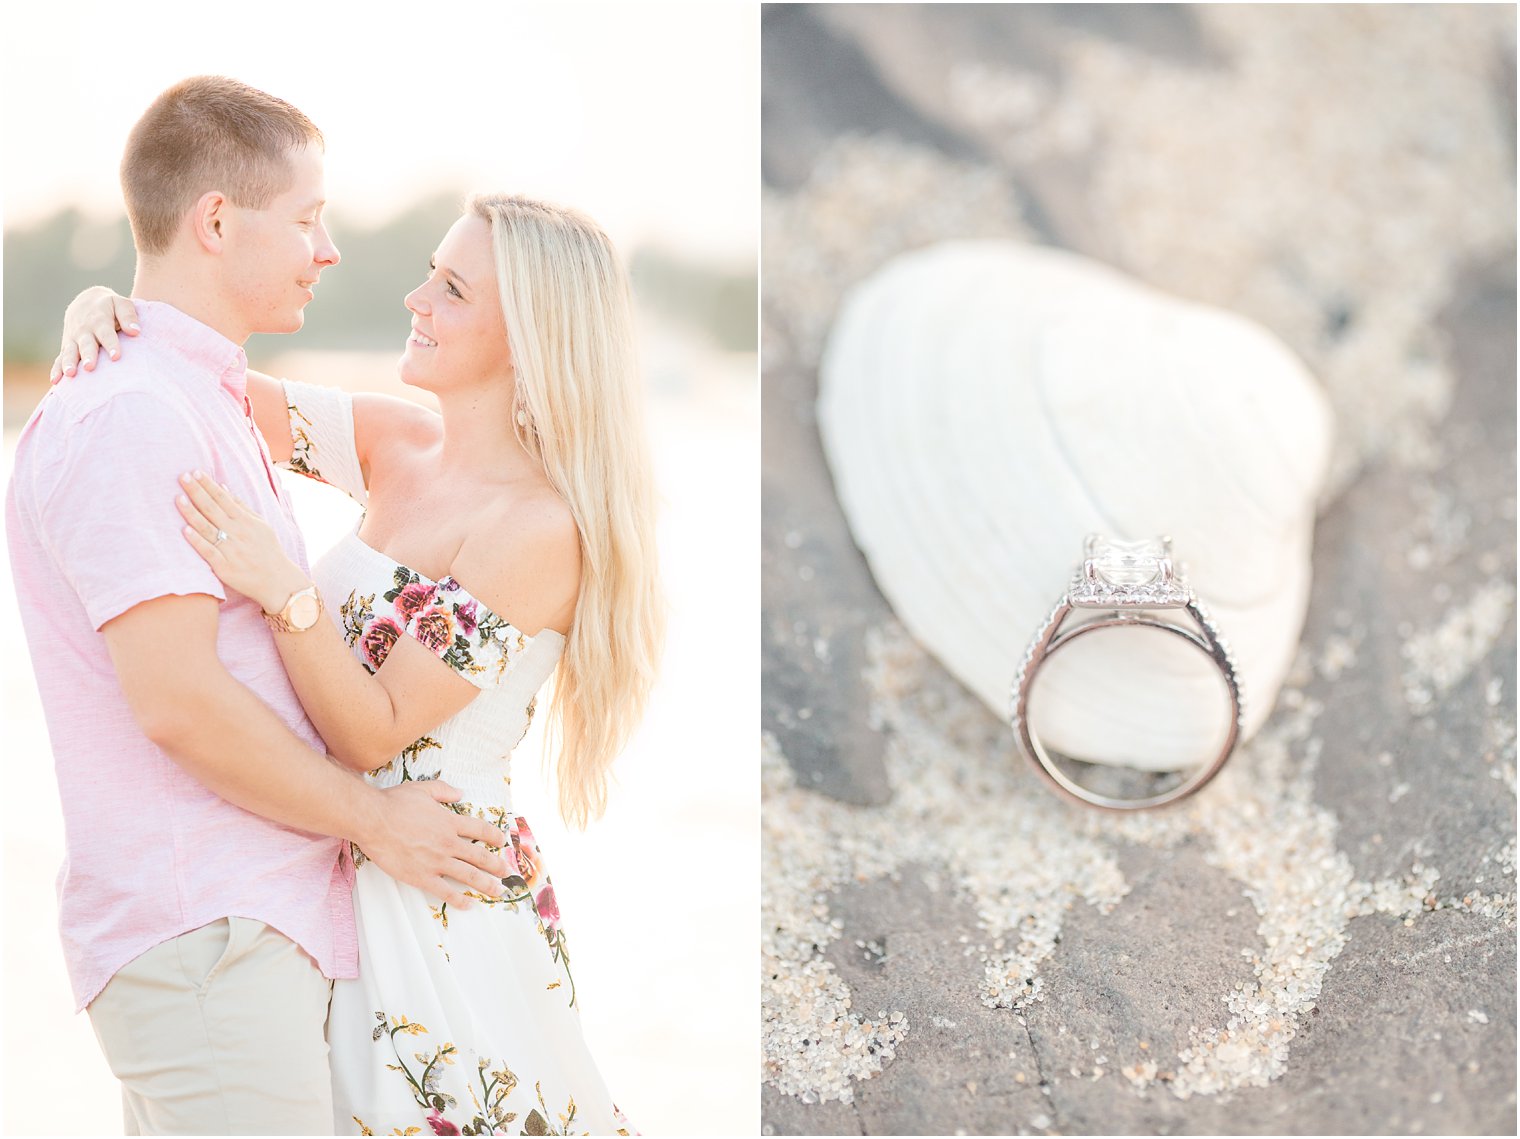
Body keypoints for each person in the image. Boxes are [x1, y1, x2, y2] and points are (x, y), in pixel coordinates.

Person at [54, 197, 662, 1131]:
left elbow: (372, 731)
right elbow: (197, 384)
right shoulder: (397, 441)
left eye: (453, 289)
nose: (417, 298)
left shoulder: (537, 531)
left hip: (434, 883)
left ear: (529, 335)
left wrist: (285, 590)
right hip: (336, 855)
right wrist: (99, 309)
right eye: (431, 270)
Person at [8, 77, 520, 1135]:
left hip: (256, 929)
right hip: (209, 931)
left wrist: (112, 307)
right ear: (213, 221)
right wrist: (377, 819)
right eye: (306, 217)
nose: (327, 248)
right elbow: (179, 704)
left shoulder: (198, 394)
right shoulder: (137, 412)